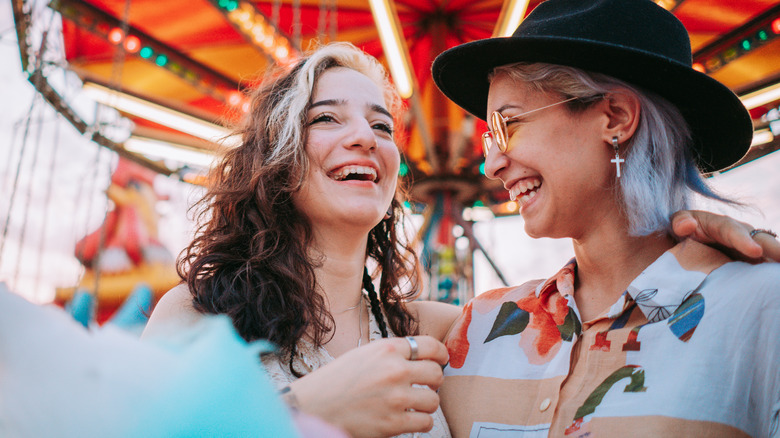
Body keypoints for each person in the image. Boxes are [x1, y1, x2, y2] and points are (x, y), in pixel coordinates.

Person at [144, 40, 778, 437]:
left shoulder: (447, 333)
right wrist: (304, 416)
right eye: (326, 118)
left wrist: (715, 246)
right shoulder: (199, 315)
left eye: (382, 125)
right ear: (276, 155)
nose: (365, 136)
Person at [430, 0, 780, 437]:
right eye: (488, 137)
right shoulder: (477, 325)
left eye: (508, 125)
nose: (491, 164)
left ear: (615, 118)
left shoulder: (762, 309)